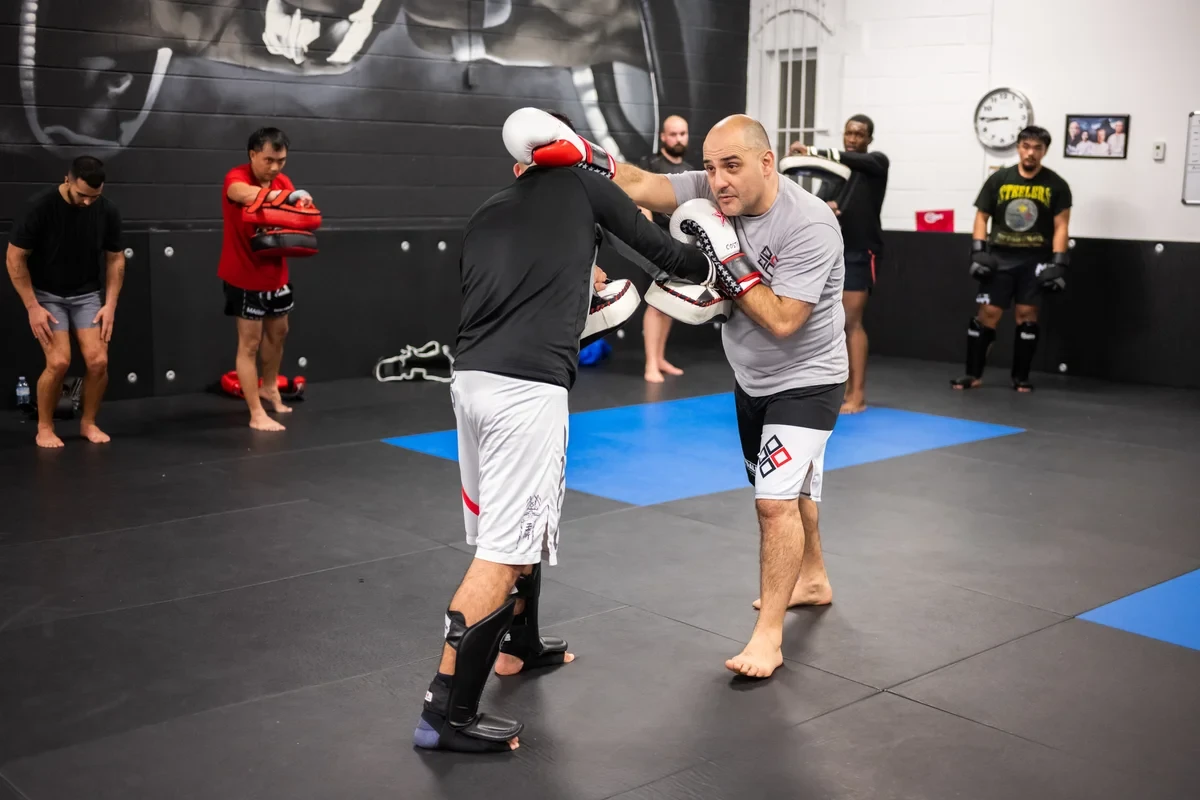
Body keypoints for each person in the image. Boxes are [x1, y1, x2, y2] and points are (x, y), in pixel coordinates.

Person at [506, 109, 848, 680]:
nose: (718, 182)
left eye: (732, 166)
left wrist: (729, 262)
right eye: (710, 168)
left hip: (809, 377)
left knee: (773, 502)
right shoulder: (711, 191)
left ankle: (768, 639)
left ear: (767, 163)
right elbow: (641, 184)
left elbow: (785, 321)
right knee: (786, 489)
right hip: (752, 378)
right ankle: (812, 577)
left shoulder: (809, 224)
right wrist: (583, 153)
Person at [414, 111, 715, 754]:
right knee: (503, 551)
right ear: (575, 152)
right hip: (526, 391)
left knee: (513, 527)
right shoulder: (585, 184)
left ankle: (517, 647)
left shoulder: (490, 209)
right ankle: (445, 714)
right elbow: (666, 255)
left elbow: (500, 290)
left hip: (471, 382)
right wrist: (719, 253)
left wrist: (580, 280)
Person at [6, 156, 125, 448]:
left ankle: (89, 423)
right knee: (59, 362)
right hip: (47, 295)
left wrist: (110, 305)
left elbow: (115, 258)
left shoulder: (106, 210)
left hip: (86, 295)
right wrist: (32, 307)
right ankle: (45, 427)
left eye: (94, 196)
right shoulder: (40, 206)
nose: (87, 202)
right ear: (67, 180)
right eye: (82, 195)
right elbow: (14, 258)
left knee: (98, 361)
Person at [955, 126, 1071, 392]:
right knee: (988, 313)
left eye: (1037, 148)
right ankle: (973, 374)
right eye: (1026, 146)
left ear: (1045, 151)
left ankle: (1020, 377)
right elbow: (982, 216)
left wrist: (1059, 262)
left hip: (1035, 258)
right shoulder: (1000, 179)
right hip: (1000, 257)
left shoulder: (1056, 185)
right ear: (1018, 147)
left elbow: (1061, 226)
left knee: (1027, 315)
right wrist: (978, 251)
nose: (1031, 153)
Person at [790, 113, 888, 413]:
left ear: (869, 138)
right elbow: (818, 206)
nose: (853, 139)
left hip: (860, 251)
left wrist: (812, 150)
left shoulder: (876, 164)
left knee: (851, 322)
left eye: (859, 134)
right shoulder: (834, 174)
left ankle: (858, 396)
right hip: (832, 252)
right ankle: (837, 389)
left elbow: (859, 161)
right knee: (828, 323)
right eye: (849, 133)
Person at [220, 127, 315, 431]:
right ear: (253, 154)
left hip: (276, 275)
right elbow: (240, 194)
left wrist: (301, 203)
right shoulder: (237, 177)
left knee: (279, 333)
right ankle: (256, 413)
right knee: (250, 343)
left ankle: (270, 387)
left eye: (281, 161)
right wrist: (281, 196)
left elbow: (295, 213)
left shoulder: (283, 181)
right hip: (244, 274)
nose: (275, 167)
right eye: (269, 160)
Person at [637, 115, 696, 383]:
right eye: (673, 134)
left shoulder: (690, 170)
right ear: (663, 137)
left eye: (682, 134)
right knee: (656, 302)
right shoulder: (650, 165)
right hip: (656, 243)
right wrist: (650, 238)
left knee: (670, 302)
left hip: (680, 245)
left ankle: (660, 358)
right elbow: (640, 200)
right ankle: (651, 363)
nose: (678, 139)